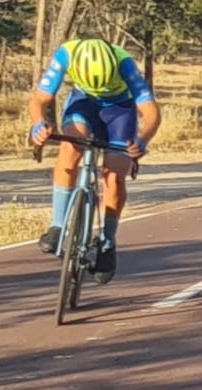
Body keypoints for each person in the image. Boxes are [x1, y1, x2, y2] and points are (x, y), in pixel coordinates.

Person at [29, 37, 161, 285]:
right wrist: (38, 124)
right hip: (83, 104)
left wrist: (142, 142)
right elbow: (40, 99)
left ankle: (107, 243)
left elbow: (151, 111)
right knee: (70, 148)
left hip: (119, 111)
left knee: (114, 174)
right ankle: (58, 226)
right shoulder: (66, 54)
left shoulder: (124, 62)